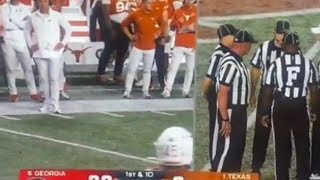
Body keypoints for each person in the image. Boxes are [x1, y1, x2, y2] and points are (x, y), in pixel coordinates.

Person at [260, 31, 318, 180]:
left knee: (282, 146)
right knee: (303, 145)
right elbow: (314, 91)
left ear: (284, 45)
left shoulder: (276, 64)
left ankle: (282, 177)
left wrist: (265, 112)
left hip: (281, 107)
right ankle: (303, 176)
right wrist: (314, 110)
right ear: (298, 46)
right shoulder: (308, 64)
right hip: (299, 107)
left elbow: (267, 90)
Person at [211, 30, 256, 172]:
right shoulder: (231, 63)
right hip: (231, 111)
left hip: (238, 112)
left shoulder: (237, 61)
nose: (250, 48)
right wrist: (225, 118)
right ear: (244, 45)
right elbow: (223, 92)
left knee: (236, 150)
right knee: (226, 150)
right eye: (250, 45)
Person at [249, 19, 291, 174]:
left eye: (285, 33)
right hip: (266, 94)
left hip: (284, 96)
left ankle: (282, 168)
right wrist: (252, 92)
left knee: (283, 131)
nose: (282, 36)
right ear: (274, 32)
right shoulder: (265, 47)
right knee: (261, 131)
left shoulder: (292, 48)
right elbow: (255, 69)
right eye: (280, 33)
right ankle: (256, 166)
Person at [201, 24, 237, 171]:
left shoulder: (227, 51)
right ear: (225, 37)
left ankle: (221, 162)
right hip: (217, 98)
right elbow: (208, 79)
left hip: (223, 98)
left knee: (222, 131)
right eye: (233, 35)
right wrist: (207, 95)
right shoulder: (219, 54)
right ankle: (215, 166)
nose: (235, 38)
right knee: (216, 132)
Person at [24, 0, 72, 113]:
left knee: (54, 79)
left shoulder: (57, 15)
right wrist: (31, 45)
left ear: (49, 2)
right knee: (43, 79)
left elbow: (68, 29)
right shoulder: (32, 16)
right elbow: (26, 31)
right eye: (40, 1)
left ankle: (55, 104)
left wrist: (63, 43)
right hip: (39, 53)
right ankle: (46, 103)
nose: (42, 3)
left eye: (44, 1)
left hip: (54, 53)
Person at [121, 0, 164, 99]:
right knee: (132, 69)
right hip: (138, 46)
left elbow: (162, 24)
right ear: (143, 4)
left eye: (152, 3)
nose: (151, 5)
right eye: (149, 3)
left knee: (147, 71)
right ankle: (127, 92)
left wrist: (158, 33)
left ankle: (145, 92)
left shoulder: (156, 13)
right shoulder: (135, 14)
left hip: (151, 47)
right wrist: (130, 36)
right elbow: (123, 25)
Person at [1, 0, 43, 102]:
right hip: (7, 41)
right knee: (10, 69)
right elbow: (5, 25)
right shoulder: (3, 8)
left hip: (22, 42)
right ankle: (13, 93)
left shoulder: (25, 8)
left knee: (28, 68)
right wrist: (19, 22)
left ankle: (33, 92)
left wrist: (12, 21)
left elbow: (27, 25)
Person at [97, 0, 131, 85]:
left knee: (123, 51)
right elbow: (105, 11)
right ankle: (101, 73)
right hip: (113, 24)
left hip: (125, 25)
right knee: (108, 50)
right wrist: (109, 28)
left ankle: (117, 74)